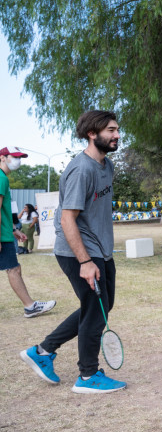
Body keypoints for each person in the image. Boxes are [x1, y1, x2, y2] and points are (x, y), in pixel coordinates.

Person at [19, 111, 126, 393]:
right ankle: (88, 376)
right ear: (92, 133)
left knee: (99, 308)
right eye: (110, 130)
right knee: (96, 312)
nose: (117, 135)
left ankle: (43, 351)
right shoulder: (82, 169)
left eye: (117, 130)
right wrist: (86, 261)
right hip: (78, 253)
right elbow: (67, 219)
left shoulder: (107, 166)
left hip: (100, 251)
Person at [0, 147, 56, 318]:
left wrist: (14, 230)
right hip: (2, 237)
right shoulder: (1, 179)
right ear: (3, 157)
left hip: (6, 233)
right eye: (14, 157)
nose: (18, 161)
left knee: (13, 268)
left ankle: (30, 306)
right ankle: (30, 306)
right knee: (14, 269)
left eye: (20, 158)